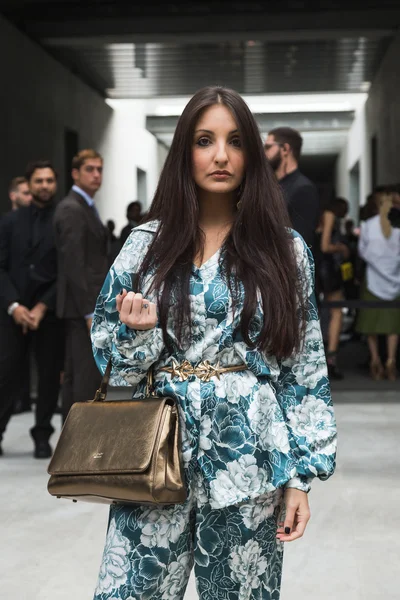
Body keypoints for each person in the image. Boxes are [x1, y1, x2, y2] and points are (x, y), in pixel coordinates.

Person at [91, 86, 336, 600]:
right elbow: (107, 355)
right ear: (185, 151)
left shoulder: (285, 252)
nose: (221, 155)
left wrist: (301, 477)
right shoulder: (146, 246)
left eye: (235, 141)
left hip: (250, 457)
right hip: (153, 452)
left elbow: (304, 369)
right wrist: (138, 338)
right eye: (205, 140)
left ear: (252, 154)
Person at [0, 161, 63, 458]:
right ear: (29, 184)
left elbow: (66, 270)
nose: (44, 186)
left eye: (49, 180)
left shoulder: (63, 219)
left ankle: (42, 436)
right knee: (6, 373)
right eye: (39, 180)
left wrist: (41, 306)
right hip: (12, 313)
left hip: (47, 315)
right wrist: (14, 306)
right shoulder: (10, 222)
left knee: (49, 377)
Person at [54, 149, 108, 422]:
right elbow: (74, 266)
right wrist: (90, 313)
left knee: (79, 378)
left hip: (83, 307)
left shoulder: (84, 206)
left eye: (100, 169)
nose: (96, 174)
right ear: (75, 173)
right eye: (90, 169)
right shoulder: (72, 209)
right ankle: (76, 448)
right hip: (81, 310)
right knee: (83, 381)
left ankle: (72, 446)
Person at [356, 190, 400, 380]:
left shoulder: (367, 226)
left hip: (373, 281)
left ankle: (375, 361)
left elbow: (362, 252)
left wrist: (377, 263)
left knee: (371, 324)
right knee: (392, 326)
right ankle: (391, 360)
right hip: (396, 280)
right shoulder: (398, 226)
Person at [264, 127, 319, 250]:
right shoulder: (273, 186)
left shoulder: (303, 188)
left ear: (285, 149)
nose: (264, 153)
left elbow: (300, 246)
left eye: (268, 147)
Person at [317, 197, 350, 379]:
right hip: (327, 269)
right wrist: (341, 248)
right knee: (337, 313)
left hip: (321, 269)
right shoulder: (329, 215)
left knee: (325, 312)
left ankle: (325, 357)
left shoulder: (318, 216)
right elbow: (325, 245)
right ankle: (331, 359)